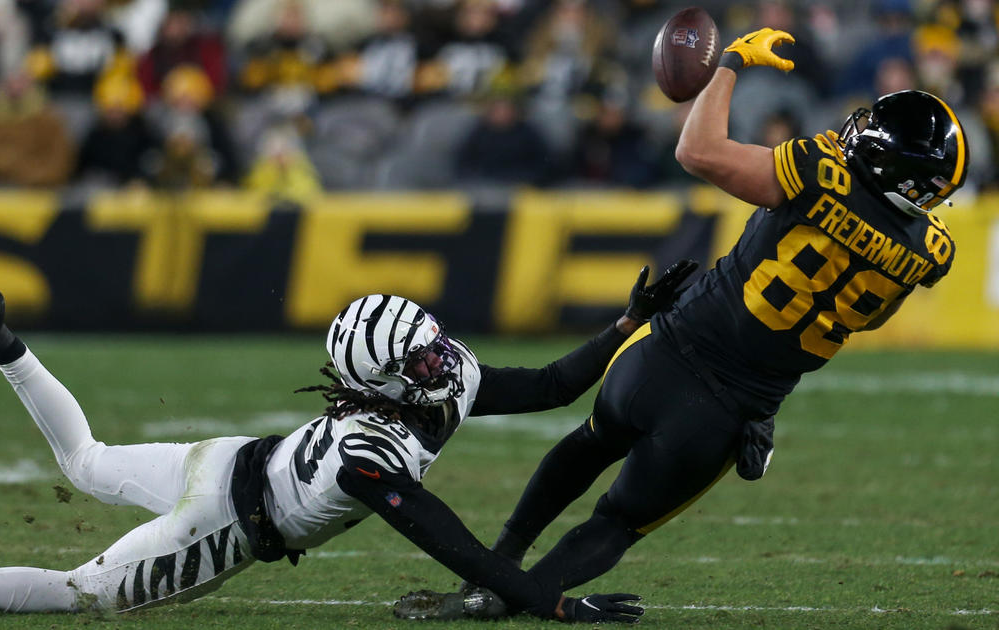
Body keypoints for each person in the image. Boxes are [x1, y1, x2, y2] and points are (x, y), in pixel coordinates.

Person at [395, 26, 967, 620]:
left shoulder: (821, 170)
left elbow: (696, 150)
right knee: (616, 523)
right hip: (728, 411)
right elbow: (863, 318)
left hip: (663, 353)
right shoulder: (931, 253)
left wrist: (731, 63)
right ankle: (503, 602)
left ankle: (501, 561)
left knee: (589, 441)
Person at [0, 259, 697, 623]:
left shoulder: (427, 383)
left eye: (430, 342)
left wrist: (627, 322)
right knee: (80, 595)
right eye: (420, 355)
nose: (441, 359)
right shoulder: (367, 459)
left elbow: (547, 386)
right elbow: (457, 544)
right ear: (384, 380)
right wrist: (556, 606)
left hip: (231, 459)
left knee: (85, 463)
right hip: (229, 519)